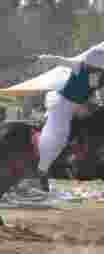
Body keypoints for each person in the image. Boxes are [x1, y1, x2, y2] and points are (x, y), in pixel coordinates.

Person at [35, 42, 104, 178]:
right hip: (62, 104)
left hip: (77, 107)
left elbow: (98, 94)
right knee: (60, 135)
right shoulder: (79, 66)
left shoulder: (100, 75)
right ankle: (41, 168)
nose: (90, 67)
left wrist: (97, 102)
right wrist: (44, 58)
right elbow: (60, 60)